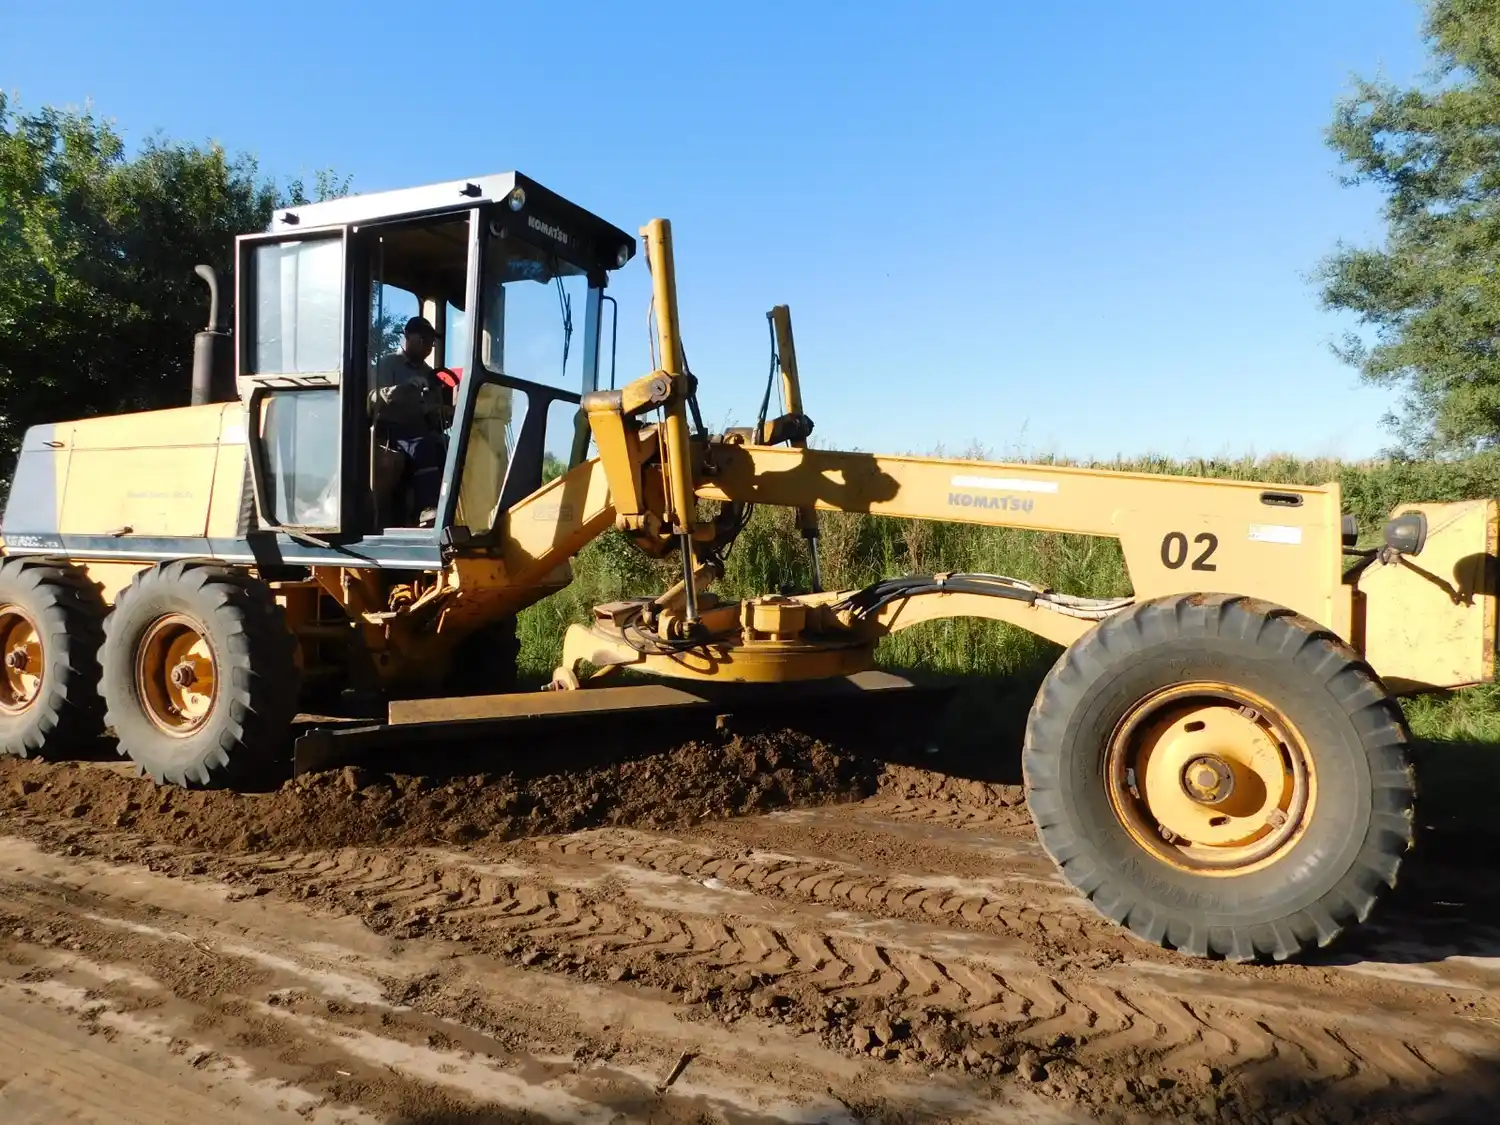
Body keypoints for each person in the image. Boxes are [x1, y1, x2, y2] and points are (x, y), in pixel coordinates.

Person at [370, 316, 451, 524]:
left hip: (420, 429)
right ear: (406, 337)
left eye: (431, 342)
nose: (428, 346)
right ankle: (426, 508)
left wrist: (442, 413)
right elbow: (371, 398)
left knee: (451, 446)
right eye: (423, 339)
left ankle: (451, 509)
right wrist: (400, 390)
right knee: (423, 445)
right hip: (391, 431)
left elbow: (431, 410)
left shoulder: (429, 373)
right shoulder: (387, 364)